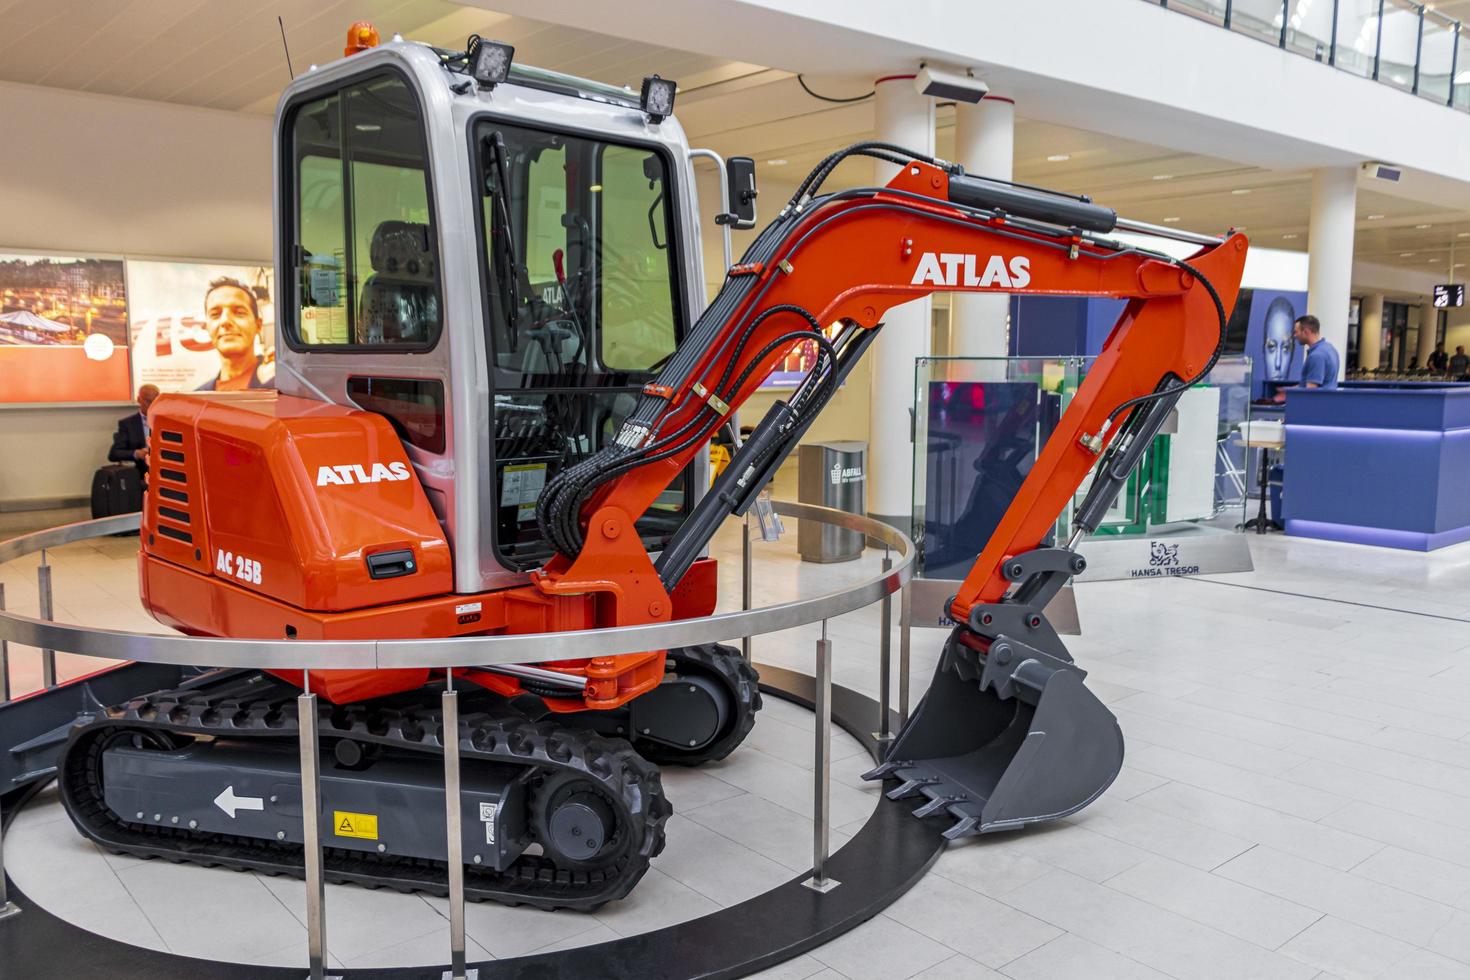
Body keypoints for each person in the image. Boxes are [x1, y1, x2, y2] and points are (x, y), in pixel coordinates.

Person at [196, 276, 275, 391]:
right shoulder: (197, 399)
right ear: (207, 328)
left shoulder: (283, 384)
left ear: (258, 325)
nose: (225, 321)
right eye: (215, 314)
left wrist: (272, 383)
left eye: (239, 312)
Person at [109, 384, 160, 476]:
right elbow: (114, 454)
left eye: (155, 402)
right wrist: (137, 453)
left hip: (163, 470)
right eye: (148, 401)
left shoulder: (166, 423)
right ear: (139, 400)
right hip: (140, 473)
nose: (152, 405)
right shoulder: (128, 424)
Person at [1294, 314, 1340, 390]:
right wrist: (1287, 391)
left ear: (1306, 332)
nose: (1294, 335)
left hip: (1319, 401)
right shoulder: (1330, 348)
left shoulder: (1316, 356)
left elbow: (1311, 389)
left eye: (1296, 332)